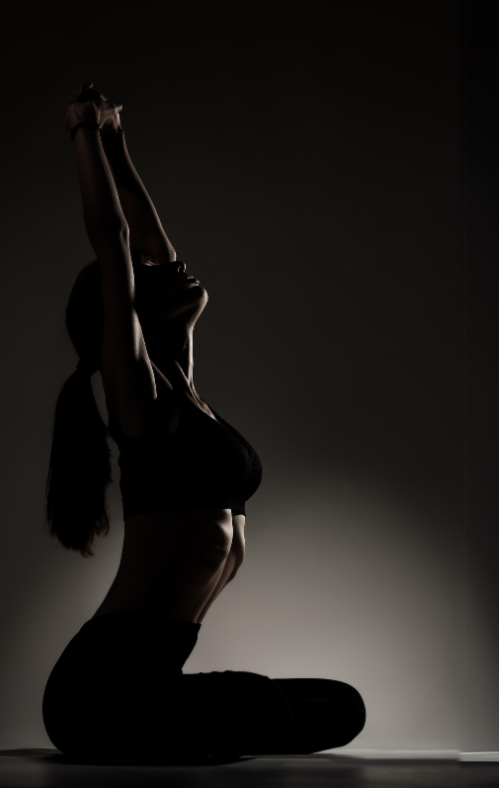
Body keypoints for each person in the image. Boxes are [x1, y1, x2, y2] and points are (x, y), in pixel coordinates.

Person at [42, 82, 365, 759]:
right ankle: (193, 716)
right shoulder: (140, 401)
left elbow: (151, 249)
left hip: (154, 678)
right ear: (127, 312)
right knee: (256, 707)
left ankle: (195, 715)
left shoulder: (181, 388)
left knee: (343, 708)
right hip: (98, 687)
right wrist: (82, 133)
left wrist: (119, 141)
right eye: (145, 282)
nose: (176, 270)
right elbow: (116, 243)